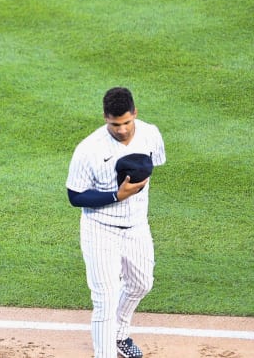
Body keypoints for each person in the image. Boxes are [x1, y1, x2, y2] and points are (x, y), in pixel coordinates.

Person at [66, 87, 166, 358]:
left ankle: (120, 335)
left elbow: (153, 165)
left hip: (136, 226)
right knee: (105, 301)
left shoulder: (150, 134)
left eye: (126, 122)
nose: (121, 130)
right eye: (114, 124)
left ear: (135, 113)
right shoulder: (88, 149)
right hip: (100, 229)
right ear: (104, 118)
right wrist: (116, 195)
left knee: (141, 284)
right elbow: (75, 196)